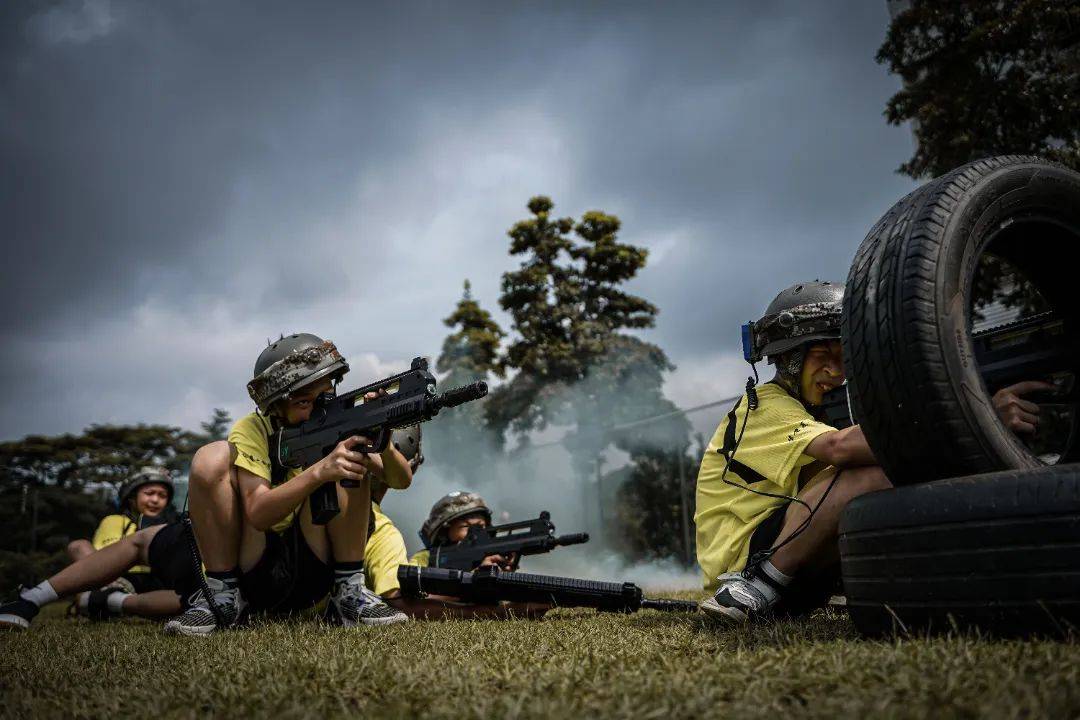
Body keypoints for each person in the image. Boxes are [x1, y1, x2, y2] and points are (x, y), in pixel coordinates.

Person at [164, 333, 412, 636]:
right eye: (303, 402)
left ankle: (350, 592)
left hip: (314, 573)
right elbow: (258, 513)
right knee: (210, 457)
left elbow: (400, 480)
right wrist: (319, 472)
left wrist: (383, 440)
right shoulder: (253, 430)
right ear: (275, 406)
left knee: (351, 460)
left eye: (324, 395)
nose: (316, 409)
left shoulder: (338, 423)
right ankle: (222, 597)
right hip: (255, 571)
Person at [695, 281, 892, 624]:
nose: (836, 372)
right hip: (744, 562)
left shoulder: (813, 413)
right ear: (789, 359)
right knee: (864, 471)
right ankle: (758, 584)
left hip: (786, 554)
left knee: (887, 467)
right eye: (822, 357)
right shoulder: (766, 406)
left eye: (843, 359)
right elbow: (839, 449)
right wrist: (949, 413)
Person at [0, 515, 200, 629]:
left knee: (197, 597)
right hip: (120, 578)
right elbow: (108, 551)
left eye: (161, 494)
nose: (155, 499)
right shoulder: (117, 520)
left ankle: (105, 600)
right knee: (81, 546)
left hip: (156, 581)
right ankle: (100, 595)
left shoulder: (168, 519)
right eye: (150, 493)